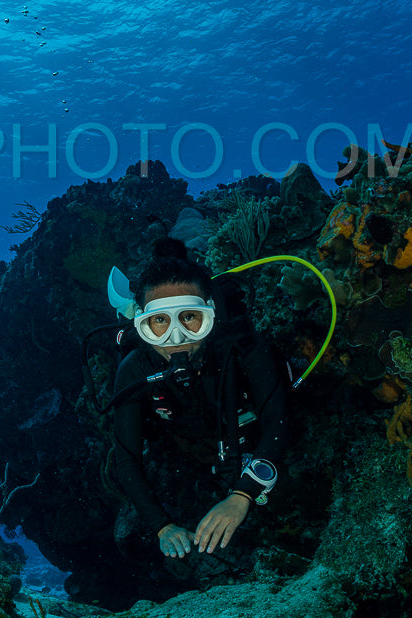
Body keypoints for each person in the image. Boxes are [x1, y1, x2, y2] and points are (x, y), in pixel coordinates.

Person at [112, 237, 288, 568]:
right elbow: (127, 459)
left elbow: (278, 419)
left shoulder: (245, 348)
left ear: (211, 313)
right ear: (143, 324)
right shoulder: (135, 367)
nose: (177, 338)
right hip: (183, 455)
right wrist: (161, 526)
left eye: (190, 317)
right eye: (160, 321)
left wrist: (242, 495)